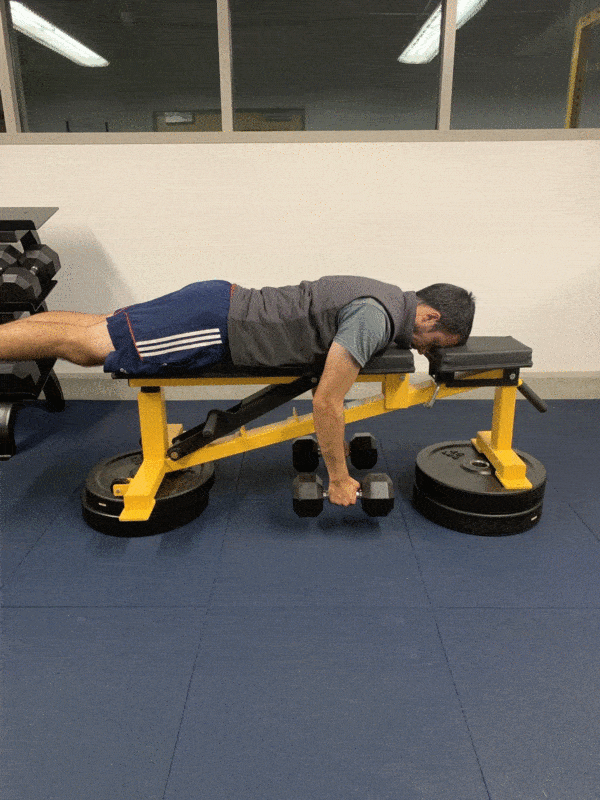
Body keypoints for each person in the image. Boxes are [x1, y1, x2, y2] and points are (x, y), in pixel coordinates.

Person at [0, 275, 474, 508]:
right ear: (429, 316)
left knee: (93, 329)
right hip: (215, 325)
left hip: (217, 302)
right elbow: (326, 401)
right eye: (434, 345)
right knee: (84, 346)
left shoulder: (387, 295)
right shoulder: (376, 317)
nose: (427, 352)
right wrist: (338, 476)